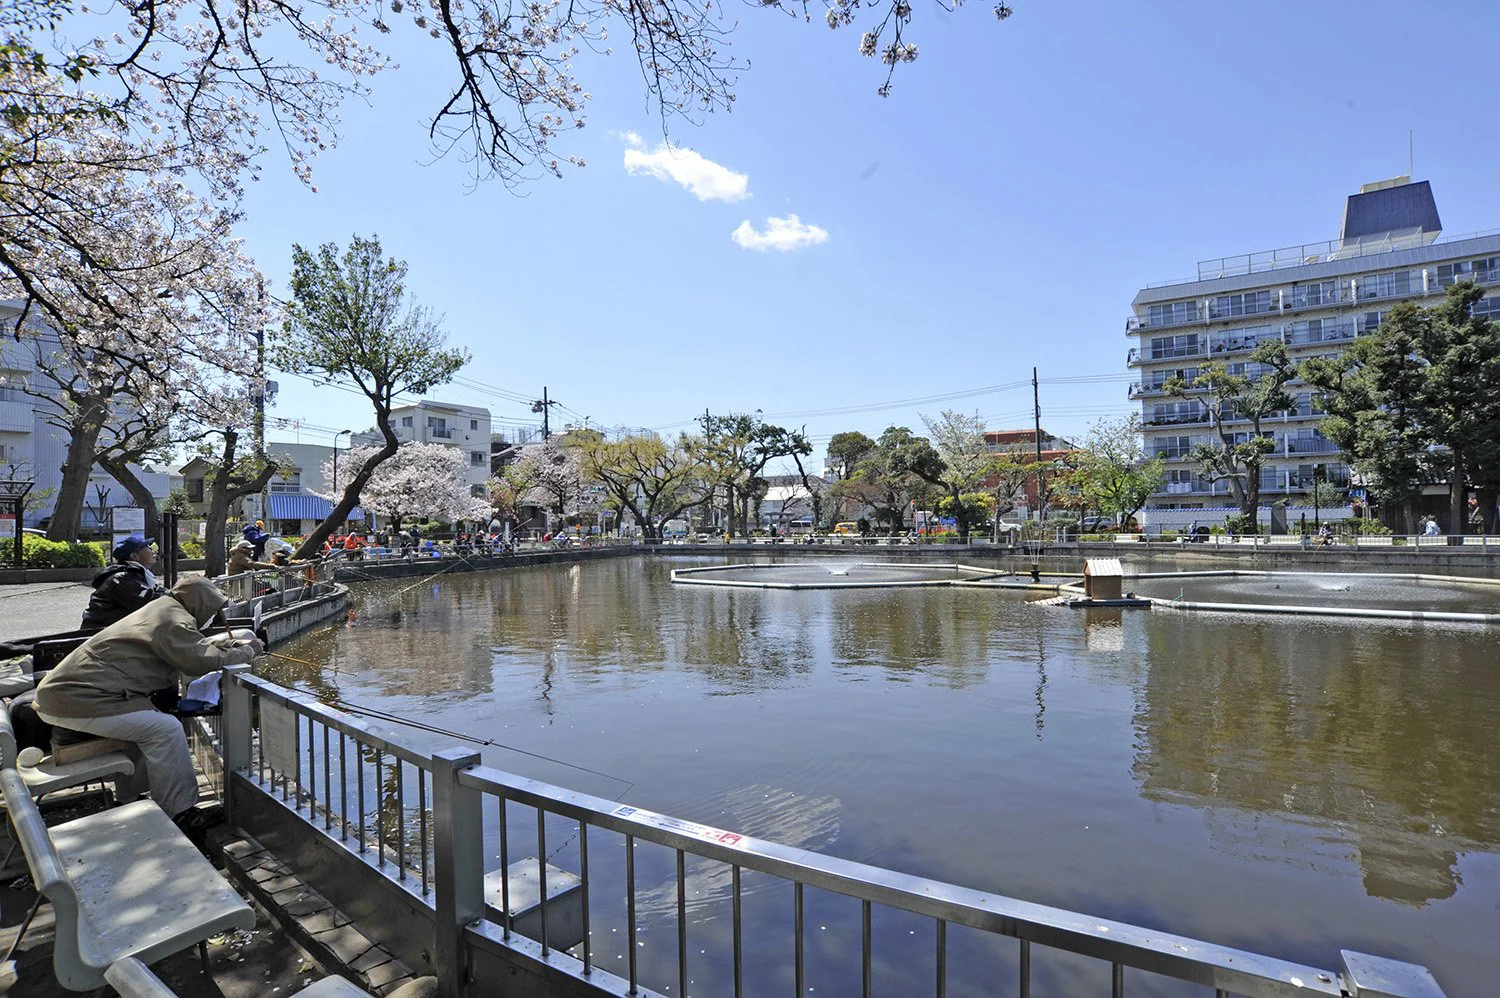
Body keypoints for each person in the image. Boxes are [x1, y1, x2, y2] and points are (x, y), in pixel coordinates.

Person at [33, 577, 263, 837]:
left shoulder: (164, 609)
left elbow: (190, 646)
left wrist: (226, 647)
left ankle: (130, 801)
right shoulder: (172, 620)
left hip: (72, 695)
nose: (214, 615)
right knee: (165, 730)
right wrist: (246, 652)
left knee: (148, 725)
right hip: (78, 699)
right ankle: (181, 813)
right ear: (201, 603)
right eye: (213, 608)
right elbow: (197, 660)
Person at [80, 534, 168, 630]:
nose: (151, 549)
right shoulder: (122, 578)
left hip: (115, 633)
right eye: (146, 547)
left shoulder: (136, 575)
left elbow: (157, 591)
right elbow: (148, 600)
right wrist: (174, 595)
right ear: (134, 556)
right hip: (100, 635)